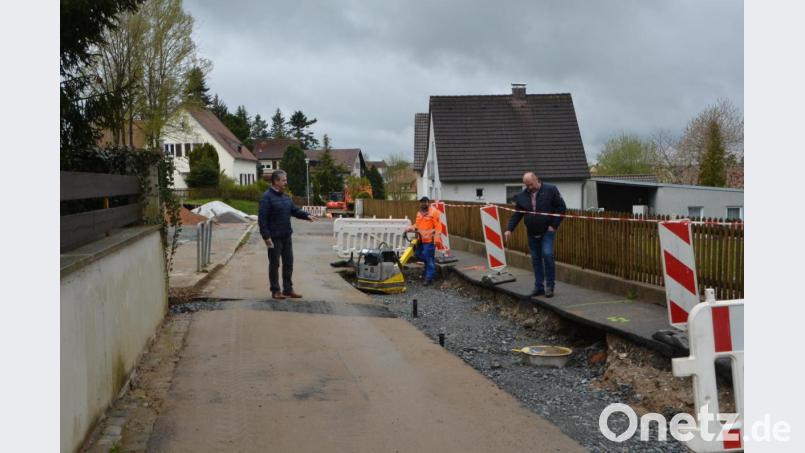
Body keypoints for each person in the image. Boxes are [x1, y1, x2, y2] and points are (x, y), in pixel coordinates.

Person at [504, 172, 566, 298]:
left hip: (547, 231)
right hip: (532, 233)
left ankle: (550, 286)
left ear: (536, 180)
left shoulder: (551, 190)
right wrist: (509, 229)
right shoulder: (522, 196)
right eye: (527, 186)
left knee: (547, 255)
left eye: (531, 185)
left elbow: (562, 208)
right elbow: (517, 214)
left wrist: (553, 226)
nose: (529, 188)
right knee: (536, 259)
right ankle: (539, 287)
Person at [258, 170, 315, 299]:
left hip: (286, 236)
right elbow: (262, 219)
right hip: (274, 237)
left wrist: (306, 215)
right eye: (283, 180)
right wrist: (266, 237)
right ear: (276, 181)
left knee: (288, 263)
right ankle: (275, 290)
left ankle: (288, 289)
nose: (286, 182)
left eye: (285, 180)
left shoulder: (286, 197)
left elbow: (294, 210)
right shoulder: (266, 198)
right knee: (274, 264)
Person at [405, 196, 443, 286]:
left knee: (429, 258)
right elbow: (417, 224)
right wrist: (410, 228)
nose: (423, 203)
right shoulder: (419, 213)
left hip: (430, 240)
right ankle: (429, 269)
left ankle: (429, 278)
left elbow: (438, 226)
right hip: (420, 240)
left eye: (425, 202)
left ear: (428, 202)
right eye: (422, 202)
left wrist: (437, 239)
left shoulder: (434, 212)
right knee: (417, 255)